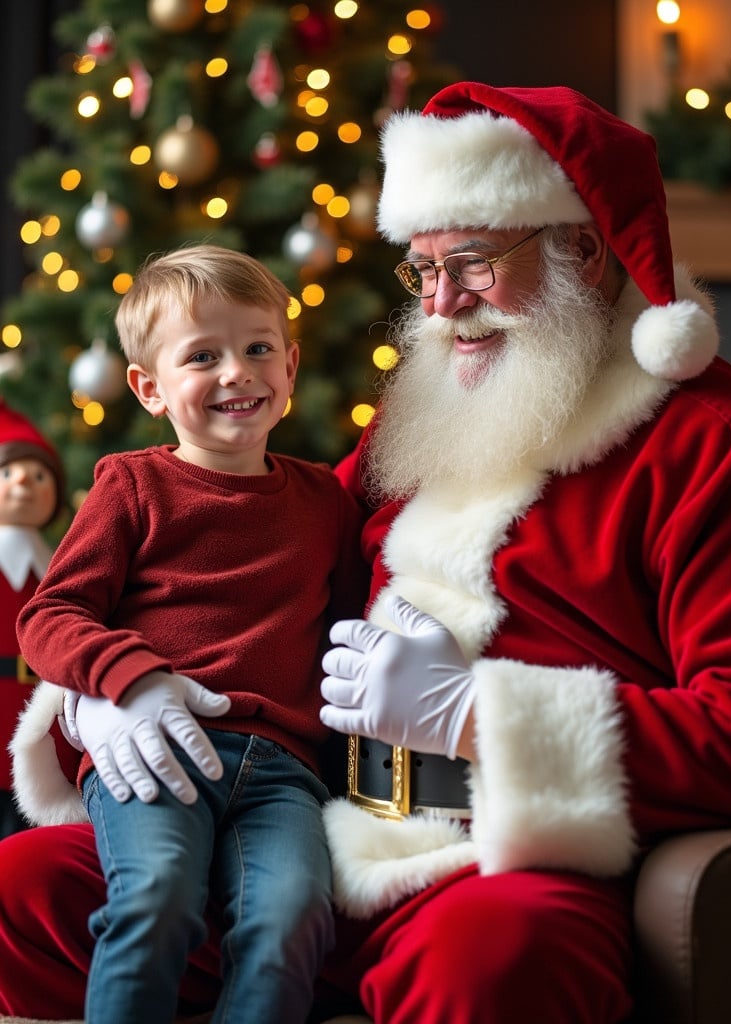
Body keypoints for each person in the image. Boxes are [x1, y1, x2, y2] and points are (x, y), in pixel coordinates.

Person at [3, 81, 731, 1024]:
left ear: (584, 249)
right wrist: (99, 695)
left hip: (495, 848)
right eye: (423, 268)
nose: (443, 303)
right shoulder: (420, 418)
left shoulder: (718, 448)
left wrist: (475, 718)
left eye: (475, 262)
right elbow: (246, 570)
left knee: (494, 960)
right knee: (25, 889)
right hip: (307, 821)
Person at [13, 244, 367, 1024]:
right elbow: (48, 616)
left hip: (283, 776)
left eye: (257, 348)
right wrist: (129, 678)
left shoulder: (325, 502)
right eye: (202, 356)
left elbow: (348, 633)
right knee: (158, 896)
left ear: (291, 366)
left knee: (292, 918)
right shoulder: (133, 485)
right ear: (150, 389)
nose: (237, 371)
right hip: (157, 748)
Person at [0, 400, 65, 837]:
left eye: (39, 475)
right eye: (7, 473)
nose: (23, 480)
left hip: (38, 716)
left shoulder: (61, 568)